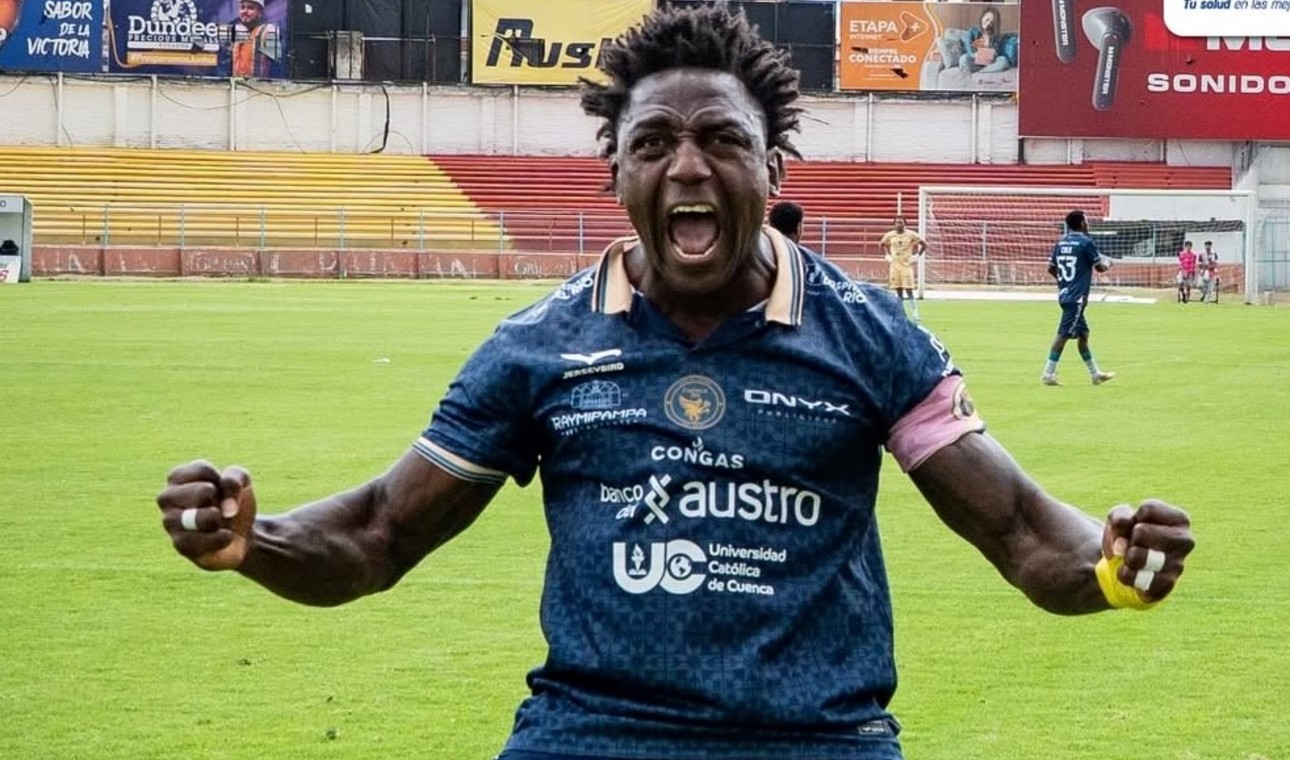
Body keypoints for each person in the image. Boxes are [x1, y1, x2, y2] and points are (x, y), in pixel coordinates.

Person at [156, 6, 1194, 760]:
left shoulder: (871, 336)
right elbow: (380, 532)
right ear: (615, 173)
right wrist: (254, 541)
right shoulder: (539, 347)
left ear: (772, 172)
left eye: (722, 141)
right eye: (653, 144)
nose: (688, 167)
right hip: (591, 734)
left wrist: (1109, 566)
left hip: (818, 742)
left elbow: (1020, 530)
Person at [1042, 209, 1116, 387]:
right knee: (1063, 335)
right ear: (1082, 223)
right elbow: (1099, 267)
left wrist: (1064, 282)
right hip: (1076, 298)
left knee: (1083, 334)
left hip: (1065, 293)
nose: (1087, 223)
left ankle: (1095, 374)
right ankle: (1048, 374)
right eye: (1086, 220)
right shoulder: (1086, 242)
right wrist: (1108, 263)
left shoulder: (1061, 242)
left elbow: (1051, 268)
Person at [879, 216, 926, 321]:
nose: (899, 225)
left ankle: (915, 312)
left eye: (901, 222)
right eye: (897, 222)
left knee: (909, 290)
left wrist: (917, 256)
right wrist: (887, 255)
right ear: (894, 224)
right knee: (898, 291)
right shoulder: (890, 235)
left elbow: (924, 244)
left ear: (905, 224)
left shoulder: (911, 234)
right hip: (895, 266)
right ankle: (901, 313)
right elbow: (882, 244)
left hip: (906, 266)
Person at [231, 0, 280, 78]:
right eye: (242, 7)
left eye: (250, 8)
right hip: (238, 83)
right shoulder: (238, 34)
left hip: (259, 84)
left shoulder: (268, 31)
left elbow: (277, 68)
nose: (245, 11)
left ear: (260, 12)